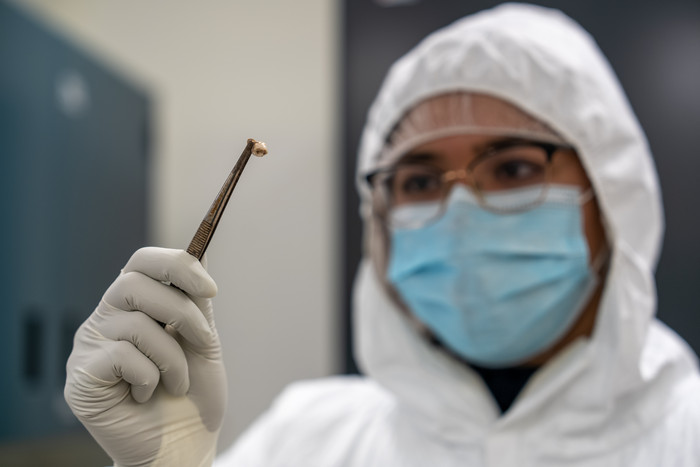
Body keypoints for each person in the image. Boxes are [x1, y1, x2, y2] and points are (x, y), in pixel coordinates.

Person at [64, 3, 700, 466]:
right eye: (419, 181)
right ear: (380, 223)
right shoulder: (310, 441)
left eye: (512, 169)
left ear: (612, 198)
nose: (460, 210)